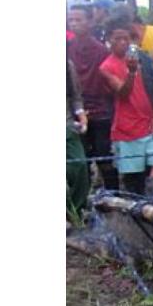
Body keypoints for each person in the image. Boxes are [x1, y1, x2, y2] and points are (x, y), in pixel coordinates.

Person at [99, 19, 153, 197]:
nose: (122, 43)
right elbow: (122, 93)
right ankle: (136, 208)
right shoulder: (107, 66)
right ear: (109, 40)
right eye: (117, 39)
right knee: (133, 174)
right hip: (127, 126)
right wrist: (131, 72)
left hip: (150, 121)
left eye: (126, 38)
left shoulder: (144, 59)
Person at [68, 3, 117, 191]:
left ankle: (114, 196)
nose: (73, 24)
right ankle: (82, 200)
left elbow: (106, 84)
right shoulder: (67, 48)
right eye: (70, 20)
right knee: (80, 161)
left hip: (100, 112)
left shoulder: (101, 51)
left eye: (78, 20)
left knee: (104, 158)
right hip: (76, 113)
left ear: (90, 22)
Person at [66, 58, 90, 215]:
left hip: (66, 124)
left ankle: (76, 212)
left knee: (80, 166)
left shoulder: (66, 64)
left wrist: (81, 115)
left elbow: (76, 96)